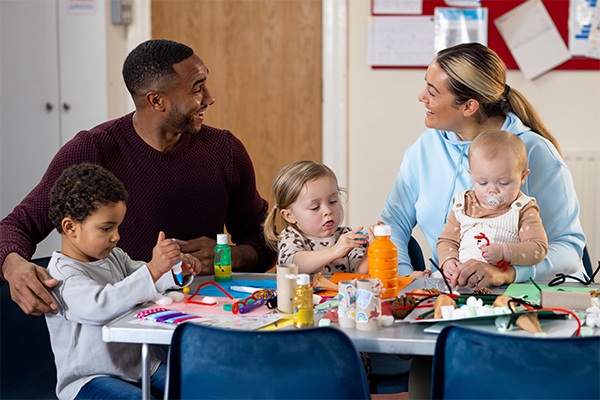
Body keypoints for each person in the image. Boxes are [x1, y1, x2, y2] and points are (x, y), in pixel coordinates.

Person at [0, 39, 276, 316]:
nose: (209, 97)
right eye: (197, 89)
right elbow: (16, 226)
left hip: (205, 318)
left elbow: (266, 240)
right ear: (156, 100)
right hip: (121, 325)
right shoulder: (92, 150)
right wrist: (13, 265)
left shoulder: (224, 150)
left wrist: (226, 256)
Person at [380, 42, 585, 290]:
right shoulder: (425, 148)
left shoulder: (535, 152)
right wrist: (404, 278)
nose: (422, 97)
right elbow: (392, 225)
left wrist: (509, 273)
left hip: (531, 294)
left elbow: (568, 248)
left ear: (469, 106)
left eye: (432, 92)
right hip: (454, 295)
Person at [45, 163, 200, 400]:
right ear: (70, 227)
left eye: (117, 226)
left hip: (139, 367)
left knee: (197, 387)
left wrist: (174, 270)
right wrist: (153, 269)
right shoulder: (62, 276)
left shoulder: (113, 256)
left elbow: (145, 279)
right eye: (106, 228)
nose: (116, 236)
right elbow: (101, 305)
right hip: (90, 379)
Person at [437, 130, 548, 281]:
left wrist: (505, 252)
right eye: (482, 182)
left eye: (503, 183)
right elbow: (447, 240)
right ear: (471, 175)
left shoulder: (523, 208)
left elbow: (538, 248)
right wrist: (448, 261)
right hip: (461, 281)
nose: (492, 190)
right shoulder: (463, 204)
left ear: (522, 177)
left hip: (501, 284)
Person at [264, 160, 372, 274]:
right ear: (289, 216)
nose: (328, 211)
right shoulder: (291, 237)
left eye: (333, 201)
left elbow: (361, 273)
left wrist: (371, 250)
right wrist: (334, 251)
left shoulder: (345, 237)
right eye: (315, 207)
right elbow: (292, 267)